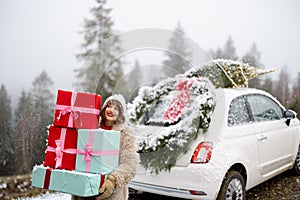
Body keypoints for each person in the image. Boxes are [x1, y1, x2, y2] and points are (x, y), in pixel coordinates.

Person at [72, 94, 139, 200]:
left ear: (121, 114)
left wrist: (112, 180)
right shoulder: (91, 126)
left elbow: (130, 164)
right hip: (84, 190)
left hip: (111, 194)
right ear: (103, 109)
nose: (111, 110)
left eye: (116, 108)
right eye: (109, 106)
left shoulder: (126, 134)